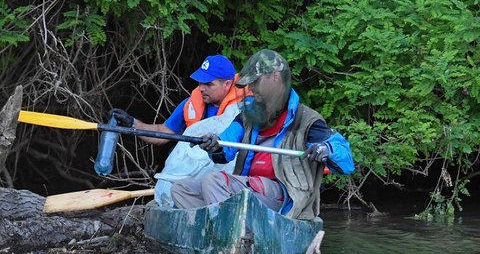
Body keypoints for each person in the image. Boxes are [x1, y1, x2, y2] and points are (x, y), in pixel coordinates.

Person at [170, 50, 355, 220]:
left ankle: (227, 236)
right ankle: (219, 232)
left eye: (255, 82)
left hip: (284, 196)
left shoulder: (307, 120)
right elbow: (225, 148)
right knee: (181, 189)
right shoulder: (247, 115)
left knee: (213, 180)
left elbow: (346, 162)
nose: (251, 88)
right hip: (248, 189)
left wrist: (326, 149)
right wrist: (214, 145)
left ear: (275, 78)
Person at [110, 54, 246, 144]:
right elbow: (161, 133)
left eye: (209, 84)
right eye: (200, 82)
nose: (201, 88)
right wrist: (132, 124)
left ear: (227, 84)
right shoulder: (189, 105)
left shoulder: (246, 108)